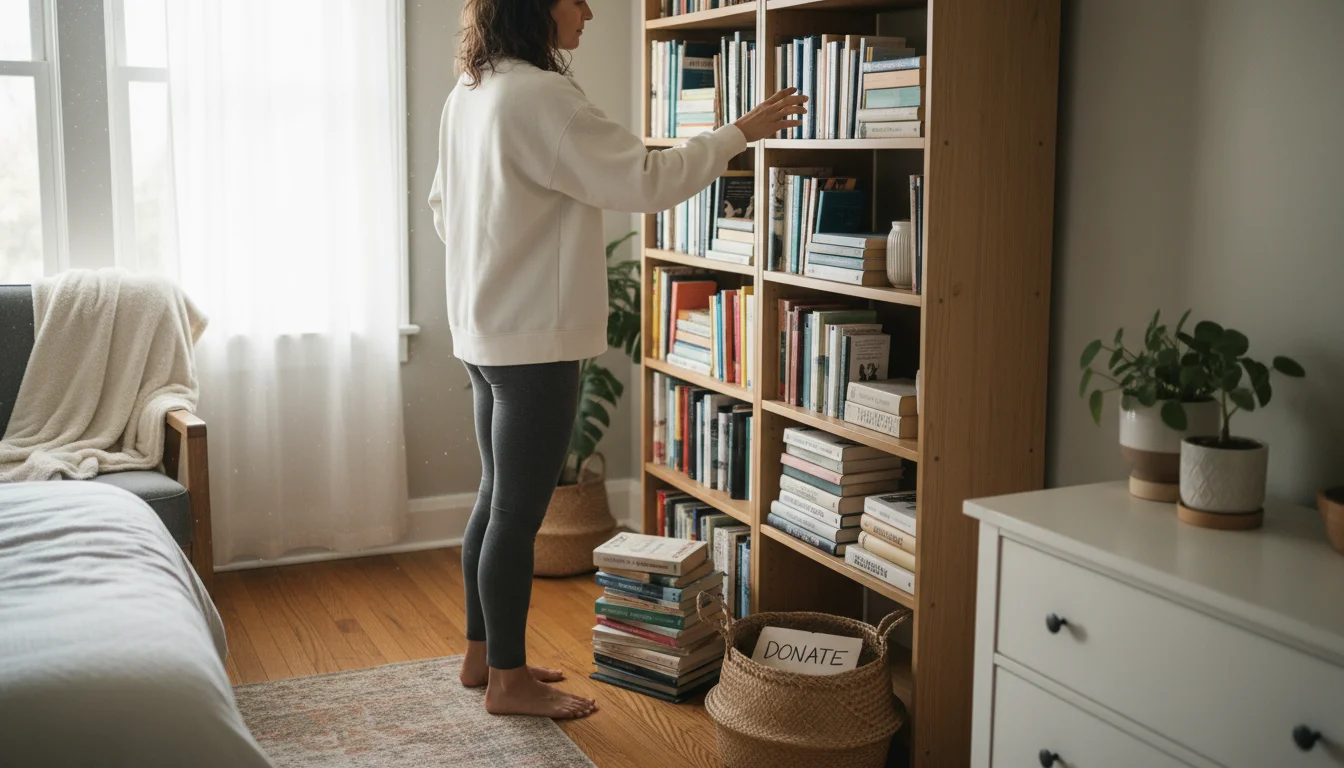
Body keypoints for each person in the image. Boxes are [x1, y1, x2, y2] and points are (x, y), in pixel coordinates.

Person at [427, 0, 805, 720]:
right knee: (514, 510)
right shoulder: (541, 97)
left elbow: (446, 211)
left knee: (493, 498)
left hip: (483, 332)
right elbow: (645, 182)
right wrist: (739, 133)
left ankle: (483, 657)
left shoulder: (469, 92)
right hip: (535, 342)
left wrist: (500, 256)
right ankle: (507, 681)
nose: (591, 12)